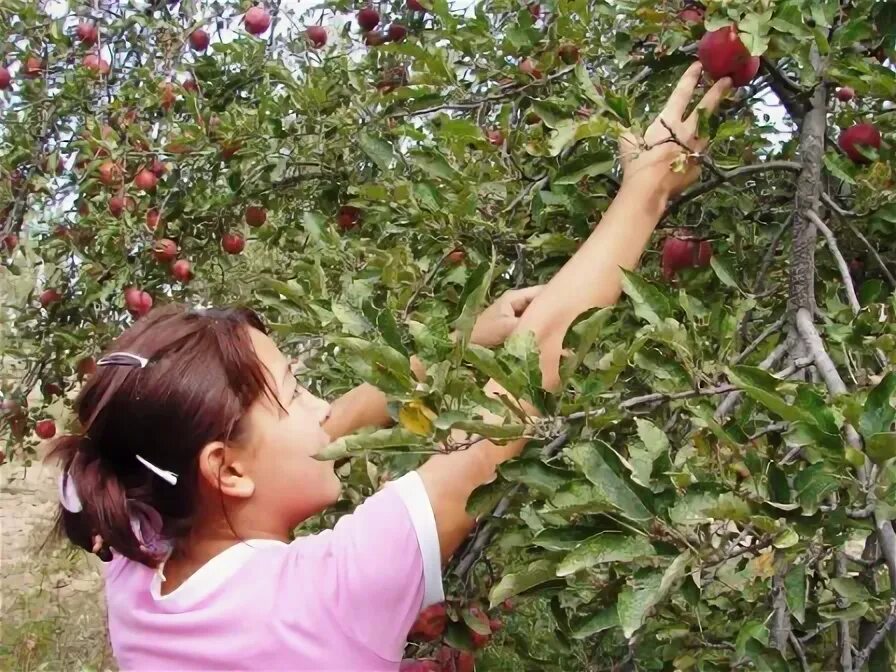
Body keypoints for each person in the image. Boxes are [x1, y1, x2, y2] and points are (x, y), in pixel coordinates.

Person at [50, 63, 731, 670]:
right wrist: (649, 187)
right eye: (296, 393)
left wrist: (460, 344)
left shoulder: (138, 548)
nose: (322, 407)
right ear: (226, 470)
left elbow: (329, 427)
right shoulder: (332, 594)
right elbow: (533, 365)